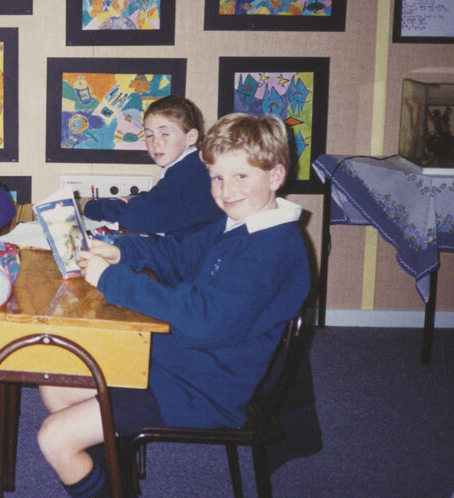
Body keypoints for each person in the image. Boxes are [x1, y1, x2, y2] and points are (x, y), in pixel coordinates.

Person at [37, 113, 311, 497]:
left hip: (203, 386)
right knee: (55, 382)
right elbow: (178, 254)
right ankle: (115, 479)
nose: (227, 190)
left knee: (54, 438)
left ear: (276, 176)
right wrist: (121, 252)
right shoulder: (240, 224)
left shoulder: (273, 250)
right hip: (181, 362)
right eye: (217, 177)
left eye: (241, 176)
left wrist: (114, 280)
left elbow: (204, 321)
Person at [82, 95, 224, 239]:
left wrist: (89, 205)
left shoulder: (187, 174)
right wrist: (133, 199)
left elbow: (137, 218)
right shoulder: (194, 164)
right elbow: (162, 198)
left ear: (191, 137)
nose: (155, 142)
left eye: (165, 134)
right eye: (149, 135)